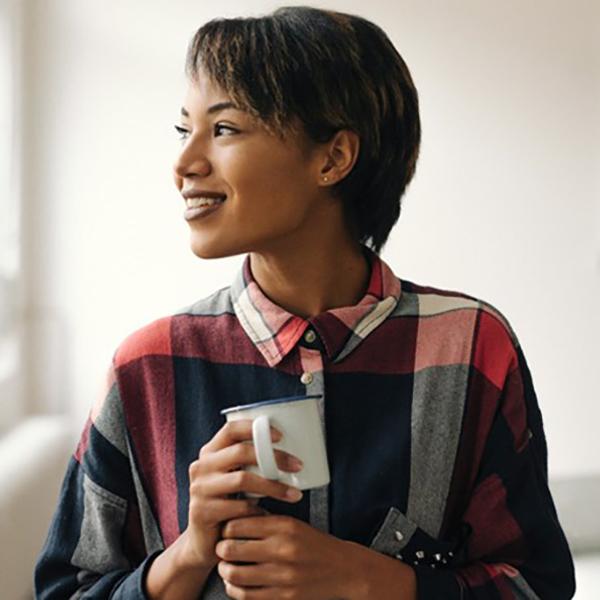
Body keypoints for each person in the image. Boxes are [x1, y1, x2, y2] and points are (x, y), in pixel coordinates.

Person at [34, 5, 576, 599]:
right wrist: (187, 555)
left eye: (224, 129)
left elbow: (539, 584)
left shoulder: (473, 348)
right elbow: (65, 589)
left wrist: (379, 582)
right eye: (183, 130)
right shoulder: (146, 367)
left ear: (333, 158)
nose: (184, 164)